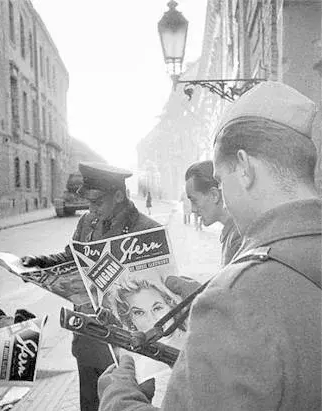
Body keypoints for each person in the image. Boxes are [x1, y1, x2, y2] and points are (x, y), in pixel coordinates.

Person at [97, 81, 321, 411]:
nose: (222, 195)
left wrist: (119, 396)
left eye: (221, 179)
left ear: (245, 169)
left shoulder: (232, 302)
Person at [21, 162, 161, 411]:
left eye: (97, 203)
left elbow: (158, 293)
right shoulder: (87, 223)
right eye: (88, 203)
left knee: (125, 403)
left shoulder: (148, 230)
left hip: (128, 345)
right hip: (88, 335)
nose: (91, 210)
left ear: (119, 196)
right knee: (89, 402)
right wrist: (38, 265)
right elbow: (70, 257)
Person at [185, 160, 241, 266]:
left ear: (214, 195)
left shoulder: (238, 237)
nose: (193, 209)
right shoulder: (234, 232)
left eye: (194, 200)